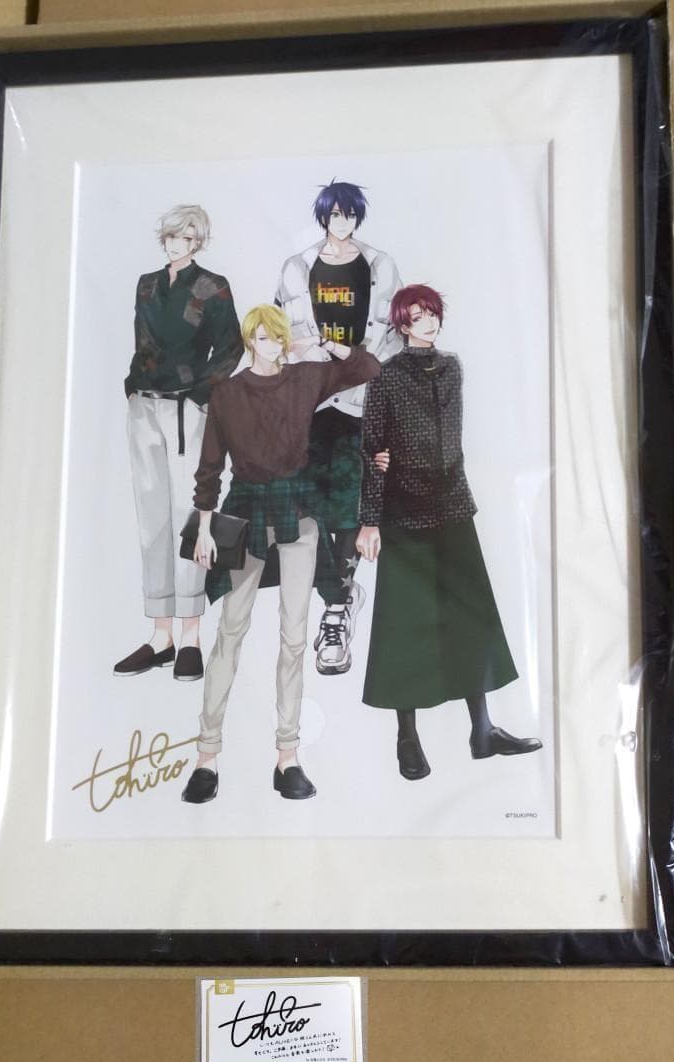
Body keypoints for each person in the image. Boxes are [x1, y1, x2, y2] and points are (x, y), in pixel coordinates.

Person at [180, 304, 381, 804]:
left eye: (280, 337)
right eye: (266, 337)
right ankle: (206, 756)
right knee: (230, 631)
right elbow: (209, 468)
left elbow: (368, 367)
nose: (275, 345)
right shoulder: (227, 393)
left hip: (299, 512)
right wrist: (203, 528)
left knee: (294, 637)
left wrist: (324, 344)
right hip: (245, 511)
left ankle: (287, 756)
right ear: (251, 340)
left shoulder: (304, 377)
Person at [356, 284, 542, 780]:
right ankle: (407, 738)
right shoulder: (386, 376)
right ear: (402, 324)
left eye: (432, 313)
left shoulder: (453, 367)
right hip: (403, 512)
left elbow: (452, 438)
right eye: (418, 316)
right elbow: (372, 450)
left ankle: (483, 731)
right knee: (405, 624)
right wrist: (370, 520)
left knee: (470, 616)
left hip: (454, 506)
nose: (429, 321)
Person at [274, 180, 402, 676]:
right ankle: (339, 594)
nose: (342, 223)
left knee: (349, 503)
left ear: (358, 218)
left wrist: (359, 371)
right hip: (308, 401)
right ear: (323, 217)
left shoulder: (379, 266)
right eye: (335, 215)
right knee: (304, 504)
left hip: (359, 401)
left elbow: (390, 340)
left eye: (350, 215)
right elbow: (282, 335)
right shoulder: (297, 267)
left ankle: (336, 609)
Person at [115, 204, 243, 683]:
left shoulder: (212, 286)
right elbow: (142, 342)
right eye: (171, 235)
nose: (176, 243)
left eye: (186, 236)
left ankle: (190, 637)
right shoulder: (147, 284)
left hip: (186, 409)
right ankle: (160, 635)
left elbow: (230, 347)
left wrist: (200, 393)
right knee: (151, 519)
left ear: (197, 241)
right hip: (144, 406)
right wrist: (133, 387)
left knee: (188, 518)